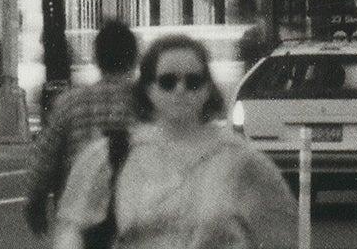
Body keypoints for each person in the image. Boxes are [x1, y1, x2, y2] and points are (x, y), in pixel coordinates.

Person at [52, 32, 298, 249]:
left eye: (193, 81)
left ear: (207, 88)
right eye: (168, 81)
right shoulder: (110, 156)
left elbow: (282, 236)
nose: (181, 90)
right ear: (148, 88)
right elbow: (72, 229)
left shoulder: (243, 161)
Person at [24, 19, 139, 236]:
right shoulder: (147, 104)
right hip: (137, 213)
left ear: (96, 58)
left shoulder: (70, 103)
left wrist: (35, 202)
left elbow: (44, 158)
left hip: (80, 216)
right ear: (134, 58)